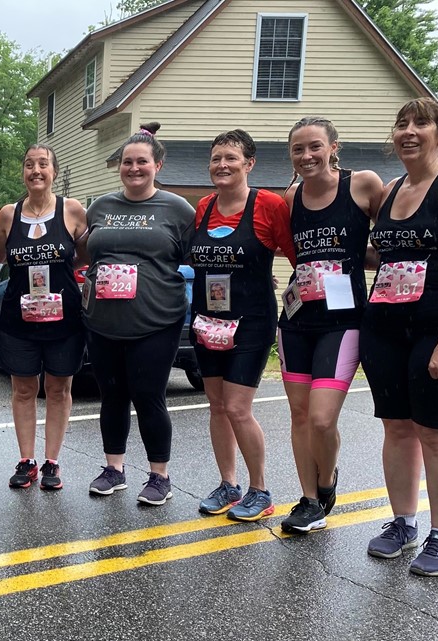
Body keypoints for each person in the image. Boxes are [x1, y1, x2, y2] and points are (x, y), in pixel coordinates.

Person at [360, 98, 438, 576]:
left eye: (421, 123)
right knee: (398, 428)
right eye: (402, 124)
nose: (409, 132)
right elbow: (385, 255)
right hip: (387, 328)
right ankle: (403, 523)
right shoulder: (391, 190)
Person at [276, 118, 383, 534]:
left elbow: (390, 238)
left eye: (314, 147)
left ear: (333, 147)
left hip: (345, 321)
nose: (306, 156)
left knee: (322, 419)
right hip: (297, 319)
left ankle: (326, 480)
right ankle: (307, 500)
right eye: (298, 149)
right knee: (300, 415)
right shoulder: (290, 196)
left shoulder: (363, 185)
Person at [83, 123, 196, 505]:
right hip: (103, 321)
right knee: (111, 395)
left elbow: (194, 256)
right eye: (127, 162)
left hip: (155, 321)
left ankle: (159, 476)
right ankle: (114, 469)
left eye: (142, 162)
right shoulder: (101, 206)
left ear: (157, 165)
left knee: (148, 396)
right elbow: (86, 251)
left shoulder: (177, 209)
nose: (134, 168)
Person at [189, 129, 294, 521]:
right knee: (216, 406)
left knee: (237, 407)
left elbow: (295, 254)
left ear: (249, 163)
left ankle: (260, 489)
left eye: (231, 158)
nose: (222, 165)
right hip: (208, 320)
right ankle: (228, 484)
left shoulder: (267, 204)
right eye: (216, 158)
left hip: (250, 322)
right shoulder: (204, 206)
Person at [0, 144, 87, 491]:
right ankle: (26, 460)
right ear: (23, 172)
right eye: (29, 165)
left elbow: (84, 254)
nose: (36, 171)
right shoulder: (7, 214)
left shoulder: (72, 210)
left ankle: (52, 462)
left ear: (54, 172)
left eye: (43, 164)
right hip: (19, 318)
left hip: (64, 319)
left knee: (59, 389)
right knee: (24, 389)